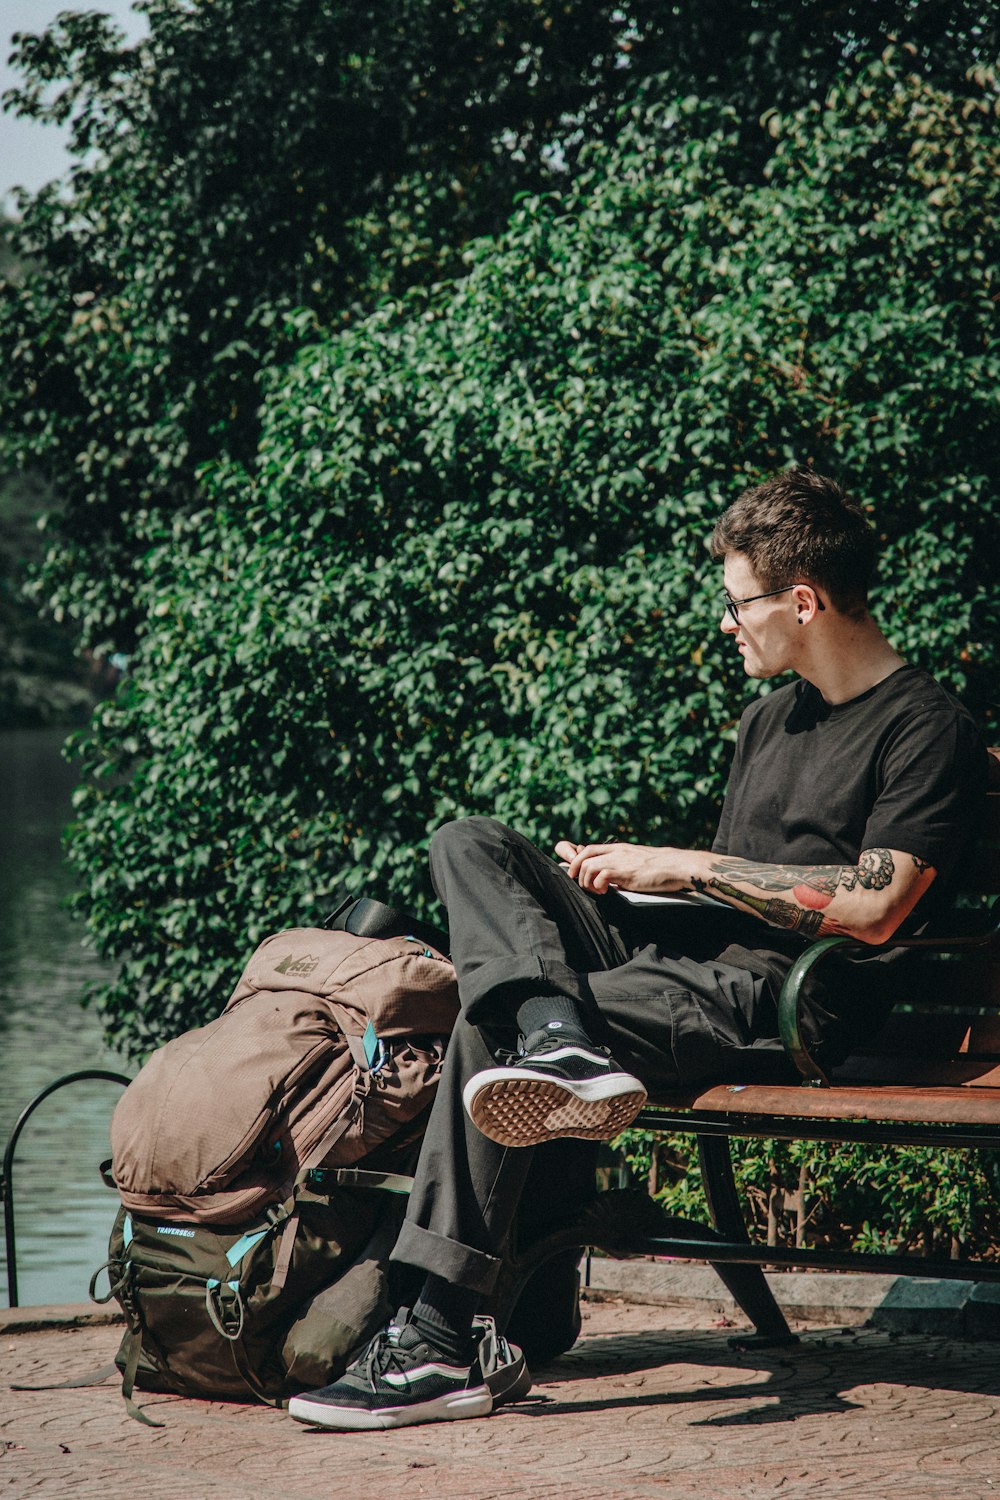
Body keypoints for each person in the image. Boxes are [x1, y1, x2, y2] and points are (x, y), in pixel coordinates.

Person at [287, 469, 987, 1431]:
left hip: (789, 1002)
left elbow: (875, 906)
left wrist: (687, 865)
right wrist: (632, 880)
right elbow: (725, 891)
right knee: (470, 841)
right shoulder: (769, 720)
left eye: (739, 602)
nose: (727, 623)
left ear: (804, 601)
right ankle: (554, 1029)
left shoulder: (926, 728)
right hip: (695, 963)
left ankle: (444, 1340)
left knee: (489, 1034)